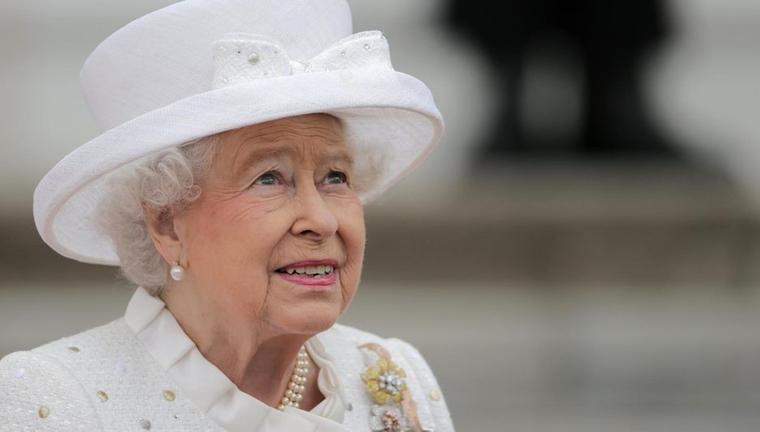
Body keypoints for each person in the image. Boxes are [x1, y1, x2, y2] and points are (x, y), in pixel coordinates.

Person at [0, 1, 453, 431]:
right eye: (269, 178)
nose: (322, 220)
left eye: (335, 177)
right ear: (165, 223)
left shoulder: (396, 377)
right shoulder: (56, 402)